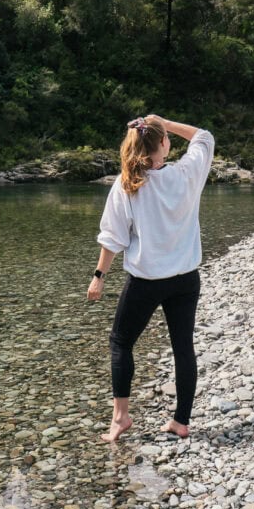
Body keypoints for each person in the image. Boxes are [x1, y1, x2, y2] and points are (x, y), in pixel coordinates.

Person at [87, 114, 214, 442]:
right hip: (186, 278)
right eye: (165, 137)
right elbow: (204, 136)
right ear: (163, 145)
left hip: (147, 281)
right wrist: (166, 124)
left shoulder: (128, 183)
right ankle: (181, 422)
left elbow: (112, 237)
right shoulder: (188, 173)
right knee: (183, 347)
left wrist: (99, 276)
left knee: (120, 342)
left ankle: (120, 418)